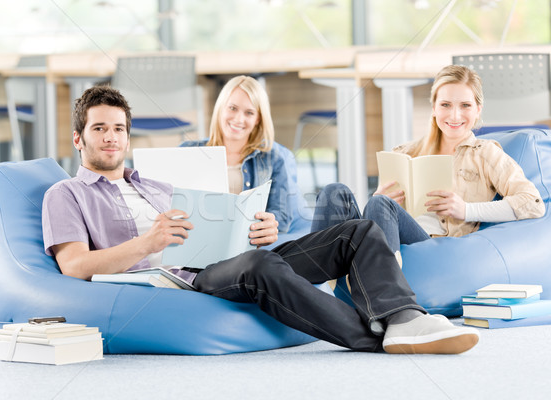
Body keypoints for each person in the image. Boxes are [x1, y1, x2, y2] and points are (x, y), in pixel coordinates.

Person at [41, 85, 480, 355]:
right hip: (173, 279)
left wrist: (254, 230)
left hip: (220, 260)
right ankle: (371, 337)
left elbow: (211, 229)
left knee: (357, 231)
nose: (111, 137)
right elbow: (74, 265)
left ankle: (403, 317)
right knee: (262, 266)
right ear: (79, 138)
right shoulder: (65, 194)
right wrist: (149, 243)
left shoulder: (157, 182)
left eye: (118, 128)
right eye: (100, 128)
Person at [311, 65, 545, 252]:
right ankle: (301, 280)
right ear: (433, 107)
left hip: (429, 246)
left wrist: (466, 210)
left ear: (478, 110)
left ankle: (388, 287)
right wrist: (377, 200)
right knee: (335, 192)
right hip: (387, 238)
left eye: (465, 105)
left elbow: (533, 204)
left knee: (381, 205)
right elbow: (381, 215)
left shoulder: (485, 153)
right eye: (445, 105)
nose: (455, 115)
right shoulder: (404, 151)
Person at [180, 75, 310, 235]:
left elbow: (281, 219)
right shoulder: (188, 151)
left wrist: (266, 225)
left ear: (258, 119)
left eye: (249, 113)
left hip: (248, 241)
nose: (238, 119)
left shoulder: (273, 158)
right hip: (197, 237)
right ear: (221, 108)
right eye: (232, 108)